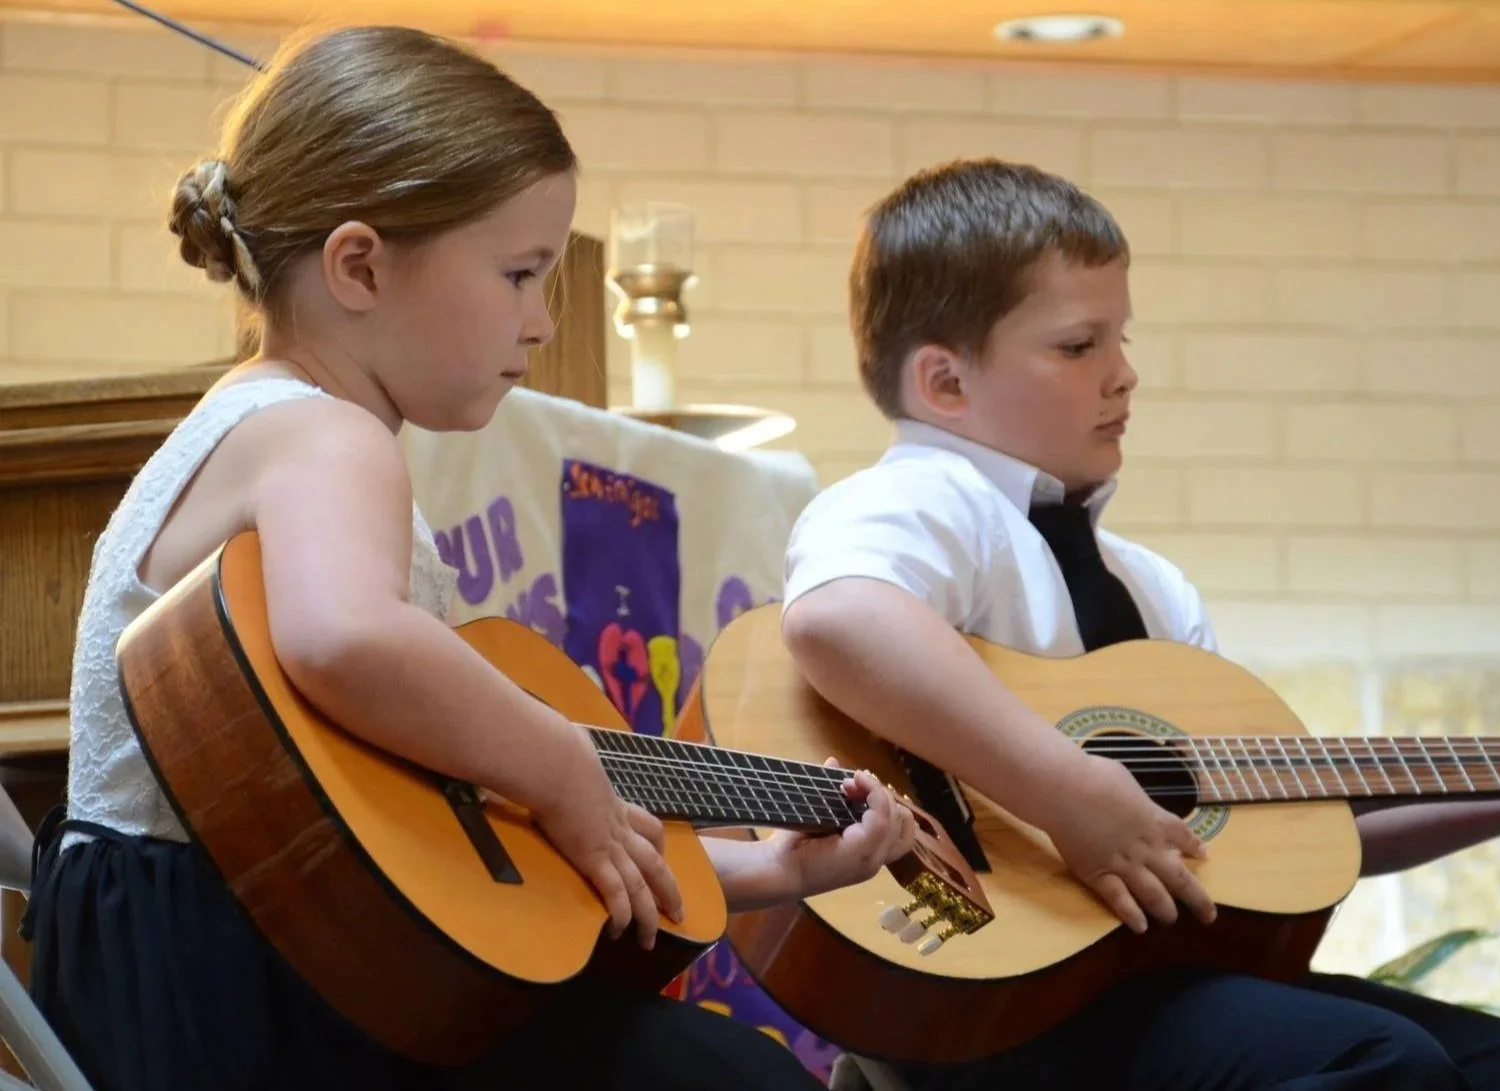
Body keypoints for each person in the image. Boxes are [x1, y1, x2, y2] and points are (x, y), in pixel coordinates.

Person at [22, 25, 917, 1091]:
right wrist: (560, 765)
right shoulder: (322, 435)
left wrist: (763, 865)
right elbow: (345, 635)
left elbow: (440, 845)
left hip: (221, 954)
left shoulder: (266, 430)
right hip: (244, 971)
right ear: (359, 265)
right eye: (519, 273)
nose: (542, 321)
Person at [779, 156, 1500, 1090]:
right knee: (1381, 1066)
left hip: (1148, 984)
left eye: (1121, 340)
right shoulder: (925, 499)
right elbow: (841, 618)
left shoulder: (1149, 585)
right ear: (945, 382)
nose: (1124, 375)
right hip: (995, 1001)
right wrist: (1066, 793)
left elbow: (1266, 845)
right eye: (1079, 345)